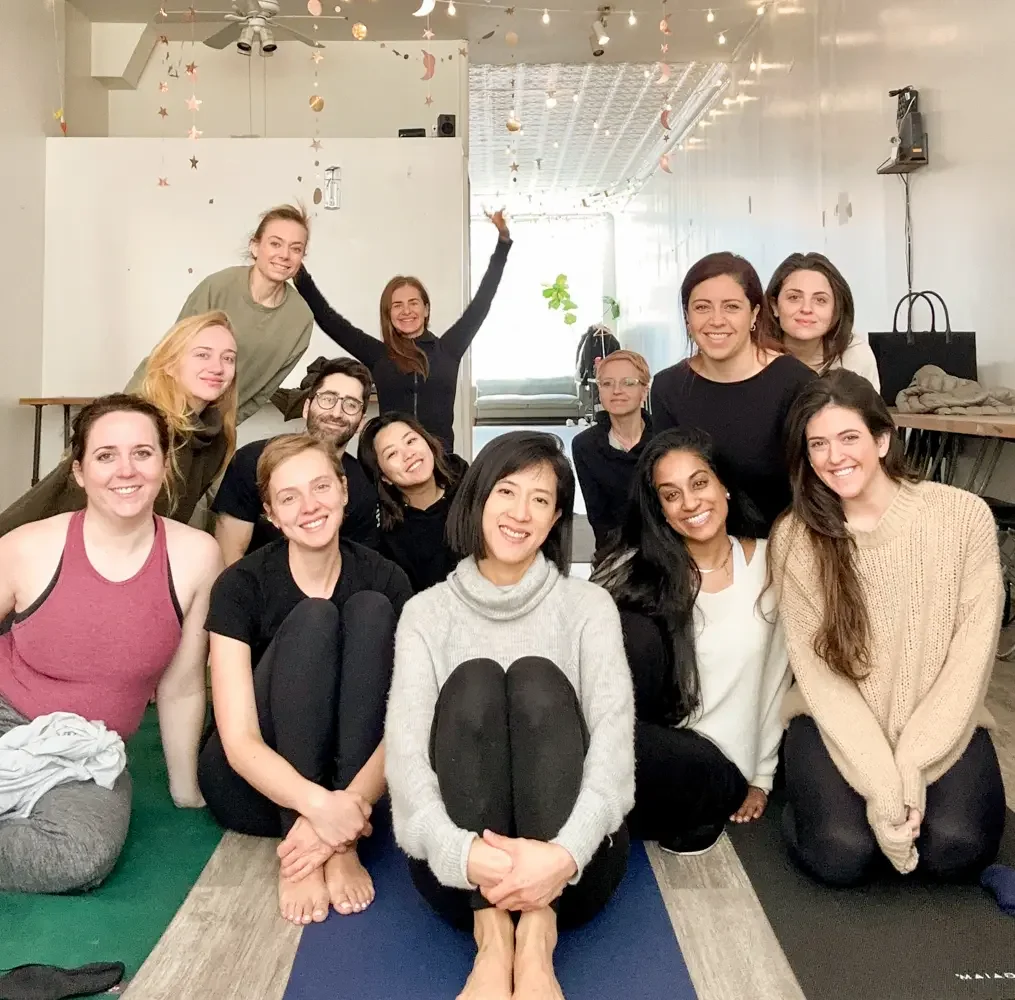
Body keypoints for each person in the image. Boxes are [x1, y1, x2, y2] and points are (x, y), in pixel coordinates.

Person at [386, 431, 634, 1000]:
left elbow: (615, 746)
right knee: (474, 679)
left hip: (573, 869)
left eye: (540, 500)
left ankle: (538, 939)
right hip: (461, 873)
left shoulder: (588, 606)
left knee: (535, 678)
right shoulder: (425, 613)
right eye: (507, 491)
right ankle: (493, 941)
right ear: (478, 498)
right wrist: (463, 854)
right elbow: (405, 756)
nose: (521, 513)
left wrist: (563, 855)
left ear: (554, 520)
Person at [770, 369, 1006, 887]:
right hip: (834, 718)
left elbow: (969, 662)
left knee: (958, 847)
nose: (834, 457)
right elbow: (820, 679)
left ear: (881, 440)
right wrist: (882, 786)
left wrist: (912, 766)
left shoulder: (963, 517)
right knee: (841, 854)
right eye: (818, 444)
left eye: (848, 437)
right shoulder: (796, 537)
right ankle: (804, 802)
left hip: (939, 714)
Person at [0, 395, 222, 893]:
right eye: (106, 455)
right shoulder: (25, 546)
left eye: (142, 453)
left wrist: (185, 790)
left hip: (85, 750)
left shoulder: (197, 555)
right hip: (6, 716)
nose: (126, 470)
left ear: (164, 465)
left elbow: (183, 685)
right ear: (79, 472)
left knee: (80, 855)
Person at [197, 434, 412, 925]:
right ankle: (305, 843)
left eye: (321, 487)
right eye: (289, 497)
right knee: (314, 618)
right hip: (253, 787)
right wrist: (316, 808)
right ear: (271, 514)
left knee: (371, 610)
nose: (309, 506)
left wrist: (347, 814)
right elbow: (238, 741)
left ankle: (339, 848)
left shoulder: (385, 577)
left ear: (344, 491)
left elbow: (406, 718)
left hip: (357, 788)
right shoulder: (240, 585)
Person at [594, 428, 789, 855]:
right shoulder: (634, 571)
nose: (690, 503)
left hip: (716, 762)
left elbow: (777, 677)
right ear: (661, 510)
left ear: (724, 486)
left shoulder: (771, 563)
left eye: (699, 483)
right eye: (671, 494)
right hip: (647, 746)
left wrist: (762, 776)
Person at [0, 312, 238, 537]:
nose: (217, 368)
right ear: (169, 364)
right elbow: (57, 502)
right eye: (202, 355)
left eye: (228, 358)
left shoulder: (217, 437)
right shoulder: (138, 425)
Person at [294, 210, 512, 453]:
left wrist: (503, 242)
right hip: (390, 460)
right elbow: (327, 318)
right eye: (397, 305)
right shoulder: (378, 354)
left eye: (413, 303)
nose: (406, 311)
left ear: (426, 309)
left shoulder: (448, 350)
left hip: (439, 462)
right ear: (388, 314)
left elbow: (482, 302)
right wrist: (295, 264)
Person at [650, 252, 815, 535]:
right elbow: (667, 486)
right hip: (700, 546)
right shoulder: (668, 387)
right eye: (702, 307)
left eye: (731, 307)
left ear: (754, 314)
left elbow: (816, 487)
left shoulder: (796, 382)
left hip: (786, 544)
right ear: (687, 317)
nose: (716, 320)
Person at [127, 204, 314, 424]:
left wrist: (223, 426)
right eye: (275, 244)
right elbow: (171, 354)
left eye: (295, 248)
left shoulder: (301, 319)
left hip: (211, 426)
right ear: (255, 247)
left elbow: (264, 391)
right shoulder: (218, 287)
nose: (284, 255)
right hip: (155, 403)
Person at [212, 357, 379, 566]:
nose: (336, 413)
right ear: (306, 408)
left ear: (361, 422)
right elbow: (229, 554)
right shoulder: (252, 460)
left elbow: (356, 568)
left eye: (351, 405)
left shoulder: (363, 487)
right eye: (328, 399)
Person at [358, 412, 468, 593]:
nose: (408, 454)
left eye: (410, 441)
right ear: (384, 477)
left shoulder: (470, 488)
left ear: (428, 443)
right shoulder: (387, 537)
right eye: (392, 454)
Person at [572, 349, 653, 552]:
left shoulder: (667, 440)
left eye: (628, 383)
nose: (617, 390)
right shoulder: (585, 445)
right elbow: (599, 519)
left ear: (644, 391)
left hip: (670, 550)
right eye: (607, 383)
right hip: (615, 552)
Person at [766, 252, 881, 391]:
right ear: (774, 306)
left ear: (836, 309)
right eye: (794, 297)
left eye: (820, 300)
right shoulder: (753, 356)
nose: (806, 309)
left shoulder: (856, 356)